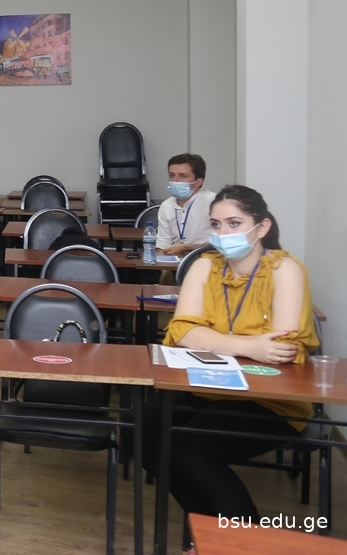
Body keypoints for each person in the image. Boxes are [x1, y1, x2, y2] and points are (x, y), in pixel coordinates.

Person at [148, 185, 317, 553]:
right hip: (208, 386)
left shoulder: (284, 269)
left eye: (234, 223)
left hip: (269, 398)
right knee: (145, 434)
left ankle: (244, 542)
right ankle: (210, 534)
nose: (223, 233)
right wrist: (250, 346)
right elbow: (182, 332)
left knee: (189, 451)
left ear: (261, 226)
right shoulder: (204, 266)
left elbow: (281, 349)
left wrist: (213, 339)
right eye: (216, 224)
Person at [155, 153, 214, 256]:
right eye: (172, 175)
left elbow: (223, 245)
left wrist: (187, 248)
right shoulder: (166, 206)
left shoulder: (213, 202)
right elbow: (162, 247)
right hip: (176, 262)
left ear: (198, 182)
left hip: (209, 260)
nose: (175, 181)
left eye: (183, 176)